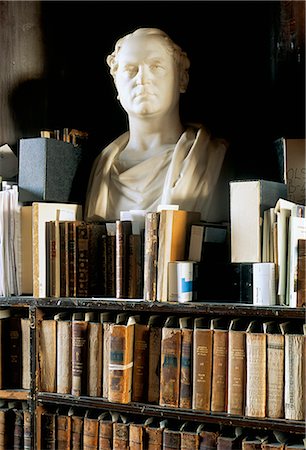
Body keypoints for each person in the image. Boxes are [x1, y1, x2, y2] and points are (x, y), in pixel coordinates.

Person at [85, 27, 230, 222]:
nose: (142, 79)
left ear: (182, 79)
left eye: (156, 66)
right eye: (131, 69)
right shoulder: (102, 168)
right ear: (116, 84)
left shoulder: (210, 158)